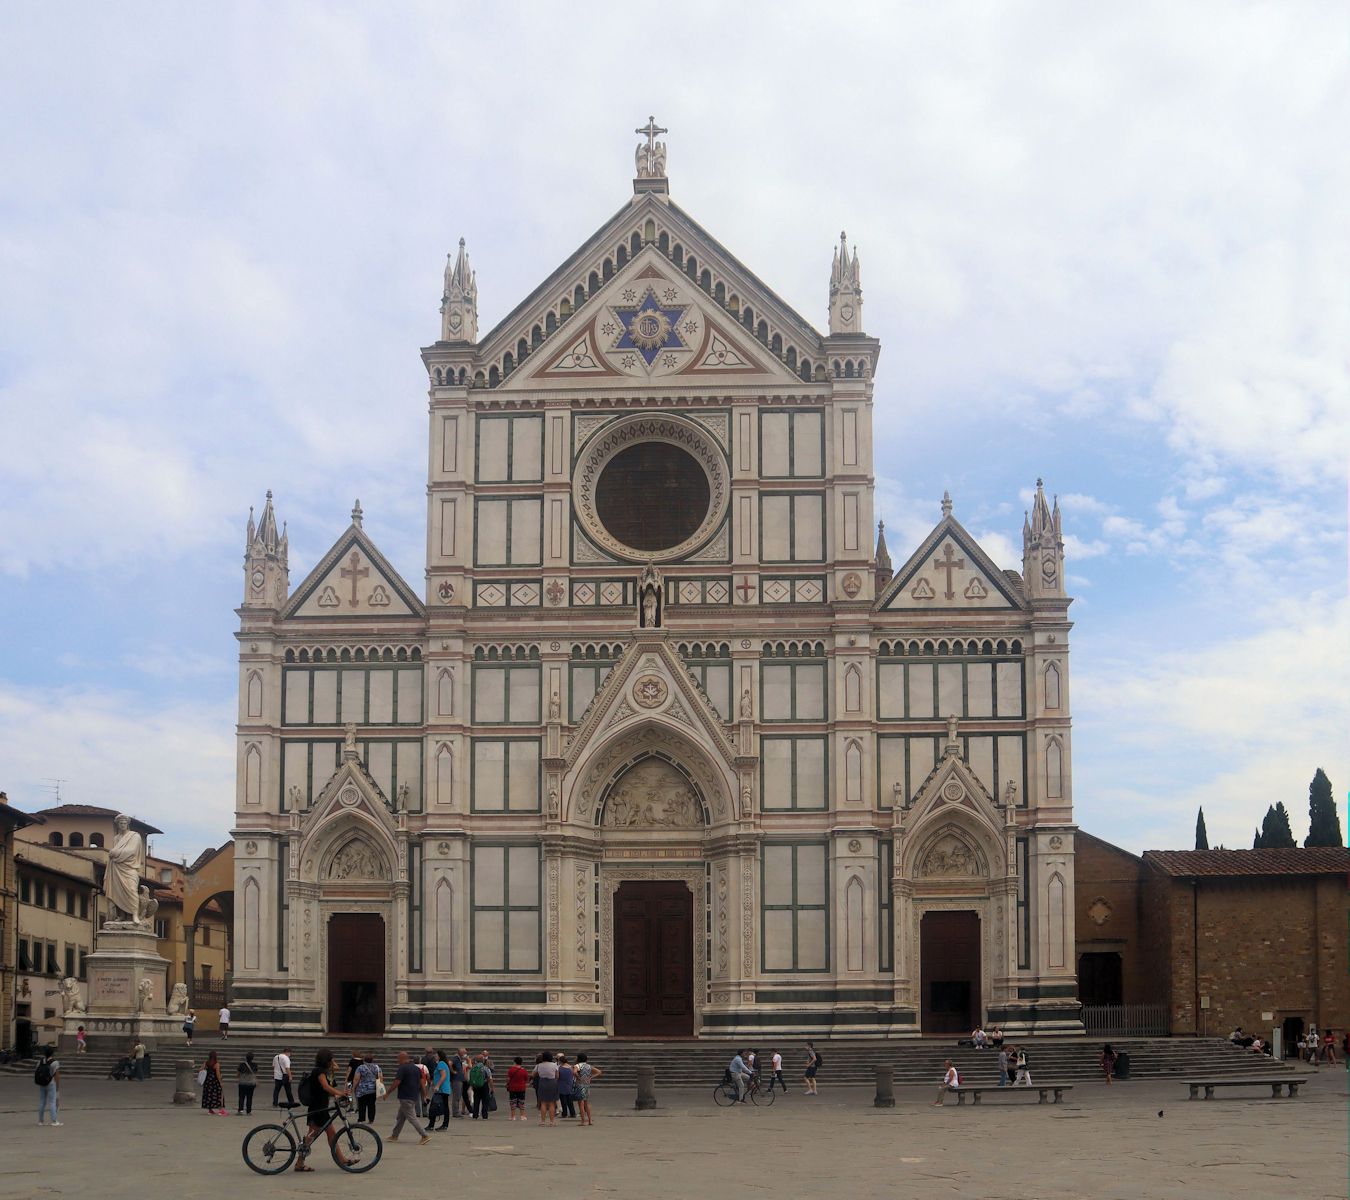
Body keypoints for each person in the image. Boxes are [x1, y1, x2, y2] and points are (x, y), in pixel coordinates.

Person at [295, 1049, 359, 1170]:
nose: (332, 1062)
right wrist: (340, 1093)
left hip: (321, 1108)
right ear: (327, 1061)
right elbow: (325, 1087)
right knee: (312, 1136)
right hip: (318, 1108)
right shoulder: (319, 1072)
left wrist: (337, 1095)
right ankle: (299, 1162)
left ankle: (342, 1160)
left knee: (331, 1135)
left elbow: (331, 1077)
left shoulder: (322, 1071)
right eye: (331, 1059)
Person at [387, 1050, 431, 1146]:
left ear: (403, 1058)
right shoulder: (416, 1068)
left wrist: (388, 1092)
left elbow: (397, 1082)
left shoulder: (402, 1068)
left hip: (405, 1096)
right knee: (401, 1117)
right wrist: (424, 1095)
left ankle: (424, 1135)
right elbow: (422, 1083)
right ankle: (394, 1135)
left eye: (398, 1058)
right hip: (413, 1095)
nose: (397, 1060)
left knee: (412, 1117)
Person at [35, 1045, 61, 1126]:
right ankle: (54, 1121)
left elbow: (37, 1071)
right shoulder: (55, 1062)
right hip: (51, 1083)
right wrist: (57, 1086)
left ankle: (40, 1121)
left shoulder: (40, 1061)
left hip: (42, 1083)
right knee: (52, 1102)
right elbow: (57, 1075)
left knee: (42, 1101)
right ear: (52, 1053)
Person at [353, 1052, 382, 1125]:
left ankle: (361, 1119)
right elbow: (380, 1078)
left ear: (364, 1060)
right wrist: (379, 1087)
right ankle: (371, 1119)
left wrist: (354, 1087)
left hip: (362, 1089)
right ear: (372, 1060)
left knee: (362, 1104)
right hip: (373, 1090)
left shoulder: (361, 1067)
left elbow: (357, 1079)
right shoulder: (377, 1067)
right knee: (371, 1105)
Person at [575, 1053, 601, 1126]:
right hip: (587, 1085)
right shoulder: (589, 1066)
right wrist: (591, 1077)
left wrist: (578, 1077)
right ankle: (590, 1120)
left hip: (580, 1086)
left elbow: (574, 1072)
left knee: (581, 1103)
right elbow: (599, 1072)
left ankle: (583, 1121)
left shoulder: (577, 1066)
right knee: (586, 1103)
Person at [532, 1052, 558, 1125]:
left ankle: (542, 1121)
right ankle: (552, 1121)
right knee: (552, 1103)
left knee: (543, 1102)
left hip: (542, 1082)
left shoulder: (539, 1065)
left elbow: (533, 1074)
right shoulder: (554, 1065)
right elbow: (557, 1075)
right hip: (552, 1083)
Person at [429, 1050, 453, 1131]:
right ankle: (434, 1124)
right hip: (443, 1089)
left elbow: (443, 1076)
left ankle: (439, 1125)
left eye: (436, 1054)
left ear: (439, 1056)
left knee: (435, 1106)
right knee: (439, 1106)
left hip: (442, 1089)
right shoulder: (442, 1064)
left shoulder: (441, 1064)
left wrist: (437, 1086)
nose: (435, 1056)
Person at [201, 1049, 226, 1115]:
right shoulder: (216, 1064)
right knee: (218, 1094)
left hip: (208, 1081)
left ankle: (210, 1110)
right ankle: (220, 1110)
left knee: (209, 1094)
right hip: (215, 1082)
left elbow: (201, 1070)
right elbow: (217, 1074)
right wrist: (220, 1082)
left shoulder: (206, 1063)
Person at [507, 1057, 529, 1121]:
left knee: (512, 1101)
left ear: (514, 1062)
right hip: (521, 1087)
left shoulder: (511, 1070)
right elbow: (526, 1079)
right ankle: (522, 1116)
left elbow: (508, 1078)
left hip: (512, 1087)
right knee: (521, 1102)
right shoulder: (524, 1070)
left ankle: (513, 1116)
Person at [419, 1047, 438, 1118]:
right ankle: (426, 1112)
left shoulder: (423, 1059)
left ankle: (422, 1111)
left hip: (423, 1078)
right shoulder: (433, 1059)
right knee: (427, 1095)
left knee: (423, 1095)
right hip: (431, 1078)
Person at [558, 1055, 577, 1119]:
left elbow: (557, 1077)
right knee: (570, 1100)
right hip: (569, 1084)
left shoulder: (559, 1068)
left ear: (560, 1061)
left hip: (561, 1085)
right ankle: (573, 1113)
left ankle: (564, 1113)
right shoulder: (571, 1067)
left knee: (563, 1100)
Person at [447, 1048, 464, 1117]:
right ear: (460, 1053)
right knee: (456, 1096)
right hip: (456, 1080)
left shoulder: (459, 1059)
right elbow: (449, 1063)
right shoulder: (455, 1058)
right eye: (464, 1053)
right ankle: (455, 1112)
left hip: (459, 1079)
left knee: (458, 1096)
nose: (465, 1055)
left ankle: (456, 1111)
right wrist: (452, 1071)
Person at [458, 1048, 472, 1118]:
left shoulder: (464, 1062)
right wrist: (469, 1060)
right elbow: (470, 1067)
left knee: (465, 1096)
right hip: (465, 1081)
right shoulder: (462, 1063)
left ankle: (464, 1109)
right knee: (466, 1096)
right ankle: (467, 1109)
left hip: (467, 1080)